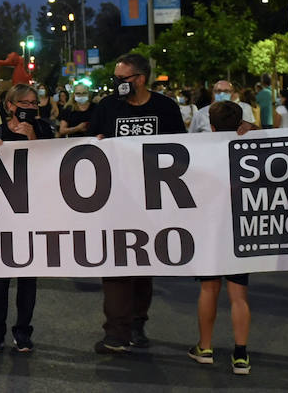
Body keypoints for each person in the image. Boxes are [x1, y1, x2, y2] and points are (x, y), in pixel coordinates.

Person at [88, 53, 187, 354]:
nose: (117, 84)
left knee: (143, 265)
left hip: (151, 202)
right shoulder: (108, 107)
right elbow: (91, 145)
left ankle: (137, 324)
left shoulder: (165, 108)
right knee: (117, 265)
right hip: (114, 199)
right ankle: (116, 332)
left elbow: (183, 150)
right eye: (116, 79)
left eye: (122, 79)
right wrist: (99, 140)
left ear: (140, 79)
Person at [0, 83, 52, 354]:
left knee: (27, 280)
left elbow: (52, 165)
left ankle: (23, 332)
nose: (30, 107)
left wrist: (33, 137)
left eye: (34, 103)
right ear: (9, 106)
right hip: (2, 215)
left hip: (33, 213)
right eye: (24, 103)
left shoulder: (43, 129)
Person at [189, 101, 254, 375]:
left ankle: (205, 347)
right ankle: (241, 355)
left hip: (210, 229)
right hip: (239, 229)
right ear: (241, 123)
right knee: (238, 295)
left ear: (211, 126)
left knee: (209, 288)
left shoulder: (201, 153)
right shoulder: (249, 151)